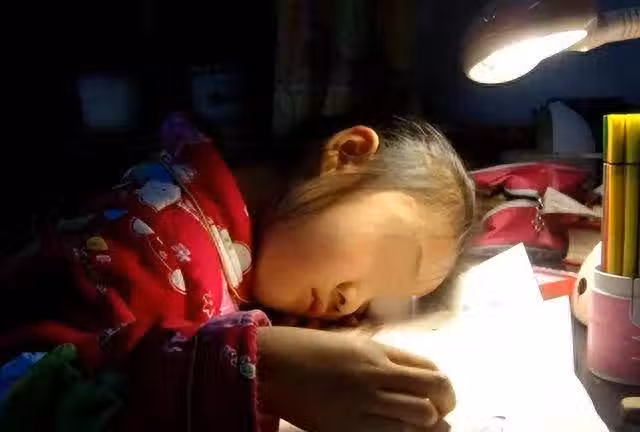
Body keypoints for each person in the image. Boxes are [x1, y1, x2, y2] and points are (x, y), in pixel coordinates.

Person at [0, 114, 474, 432]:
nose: (350, 303)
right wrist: (259, 367)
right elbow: (24, 389)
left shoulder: (247, 249)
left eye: (376, 299)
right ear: (346, 155)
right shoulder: (149, 237)